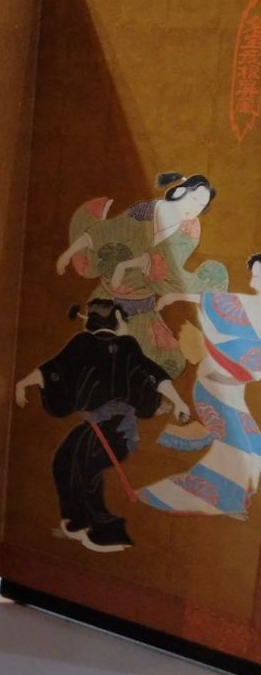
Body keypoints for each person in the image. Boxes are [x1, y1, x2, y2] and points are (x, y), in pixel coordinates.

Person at [15, 299, 191, 552]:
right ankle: (76, 521)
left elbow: (51, 370)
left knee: (86, 469)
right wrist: (23, 383)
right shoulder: (84, 344)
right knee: (63, 460)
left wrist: (179, 402)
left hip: (117, 427)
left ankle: (107, 533)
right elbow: (55, 367)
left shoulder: (125, 346)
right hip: (94, 425)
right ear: (118, 319)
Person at [54, 172, 227, 379]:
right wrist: (68, 253)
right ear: (180, 191)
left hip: (142, 306)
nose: (195, 208)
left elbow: (165, 264)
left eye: (201, 205)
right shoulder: (144, 212)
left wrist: (128, 265)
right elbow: (107, 231)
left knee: (167, 362)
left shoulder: (189, 230)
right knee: (101, 358)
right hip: (107, 300)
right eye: (194, 199)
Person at [136, 253, 261, 518]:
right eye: (255, 274)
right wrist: (173, 297)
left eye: (259, 275)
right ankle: (180, 497)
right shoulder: (239, 304)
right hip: (213, 388)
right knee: (240, 448)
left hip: (233, 392)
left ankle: (231, 501)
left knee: (254, 446)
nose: (254, 281)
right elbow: (205, 299)